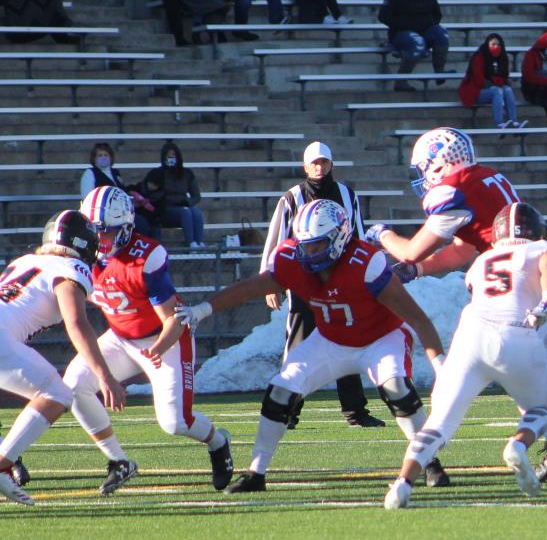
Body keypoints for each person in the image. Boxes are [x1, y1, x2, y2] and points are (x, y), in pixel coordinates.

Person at [368, 127, 547, 471]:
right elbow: (463, 249)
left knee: (516, 367)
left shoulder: (455, 190)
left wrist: (382, 234)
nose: (423, 176)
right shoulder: (484, 178)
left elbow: (410, 250)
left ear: (438, 163)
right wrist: (419, 271)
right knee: (531, 366)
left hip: (537, 274)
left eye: (425, 167)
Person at [175, 199, 451, 493]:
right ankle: (256, 473)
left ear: (339, 237)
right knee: (280, 391)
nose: (309, 252)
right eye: (305, 244)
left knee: (397, 389)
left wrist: (440, 367)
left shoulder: (366, 264)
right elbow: (250, 288)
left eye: (317, 245)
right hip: (331, 339)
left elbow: (418, 319)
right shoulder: (292, 258)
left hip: (380, 338)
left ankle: (430, 463)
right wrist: (202, 309)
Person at [384, 203, 547, 509]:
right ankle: (517, 444)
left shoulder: (483, 260)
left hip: (470, 337)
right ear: (536, 230)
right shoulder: (541, 248)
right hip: (517, 333)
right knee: (542, 409)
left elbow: (478, 287)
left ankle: (402, 484)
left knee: (437, 424)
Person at [68, 186, 235, 492]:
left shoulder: (146, 255)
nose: (97, 238)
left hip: (164, 338)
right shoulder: (83, 256)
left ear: (125, 228)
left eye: (104, 232)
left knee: (176, 423)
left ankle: (218, 442)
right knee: (74, 385)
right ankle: (119, 461)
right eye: (93, 230)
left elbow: (171, 319)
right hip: (120, 337)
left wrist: (157, 349)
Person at [0, 211, 128, 507]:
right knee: (57, 393)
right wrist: (105, 375)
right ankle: (3, 464)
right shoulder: (72, 266)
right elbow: (77, 322)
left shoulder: (25, 262)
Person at [261, 141, 383, 428]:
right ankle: (287, 412)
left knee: (348, 342)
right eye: (314, 163)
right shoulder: (291, 198)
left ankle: (356, 412)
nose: (319, 167)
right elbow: (276, 240)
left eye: (324, 162)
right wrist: (271, 280)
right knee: (298, 347)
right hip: (304, 280)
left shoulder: (346, 194)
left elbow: (359, 237)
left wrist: (365, 274)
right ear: (305, 166)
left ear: (331, 164)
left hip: (341, 280)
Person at [380, 0, 448, 91]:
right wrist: (404, 24)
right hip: (402, 34)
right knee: (418, 41)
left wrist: (429, 24)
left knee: (441, 32)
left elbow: (437, 14)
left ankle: (439, 72)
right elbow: (383, 16)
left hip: (425, 31)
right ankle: (401, 81)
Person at [78, 143, 161, 239]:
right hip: (105, 214)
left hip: (122, 211)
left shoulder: (115, 173)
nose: (103, 158)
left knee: (152, 219)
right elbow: (88, 197)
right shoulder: (90, 173)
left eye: (106, 155)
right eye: (100, 155)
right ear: (94, 158)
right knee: (141, 223)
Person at [139, 141, 207, 249]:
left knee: (196, 212)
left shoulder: (187, 173)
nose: (171, 158)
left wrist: (187, 202)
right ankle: (190, 244)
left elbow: (196, 196)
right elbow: (146, 188)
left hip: (182, 205)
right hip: (165, 208)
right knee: (186, 212)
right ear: (163, 157)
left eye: (173, 155)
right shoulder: (157, 173)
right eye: (168, 156)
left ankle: (198, 242)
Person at [459, 33, 522, 129]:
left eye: (498, 44)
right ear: (487, 45)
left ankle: (514, 121)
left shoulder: (503, 57)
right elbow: (479, 80)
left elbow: (504, 78)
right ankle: (500, 123)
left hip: (493, 89)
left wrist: (496, 81)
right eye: (493, 44)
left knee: (507, 89)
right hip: (475, 91)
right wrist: (496, 81)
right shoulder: (479, 57)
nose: (496, 47)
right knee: (497, 90)